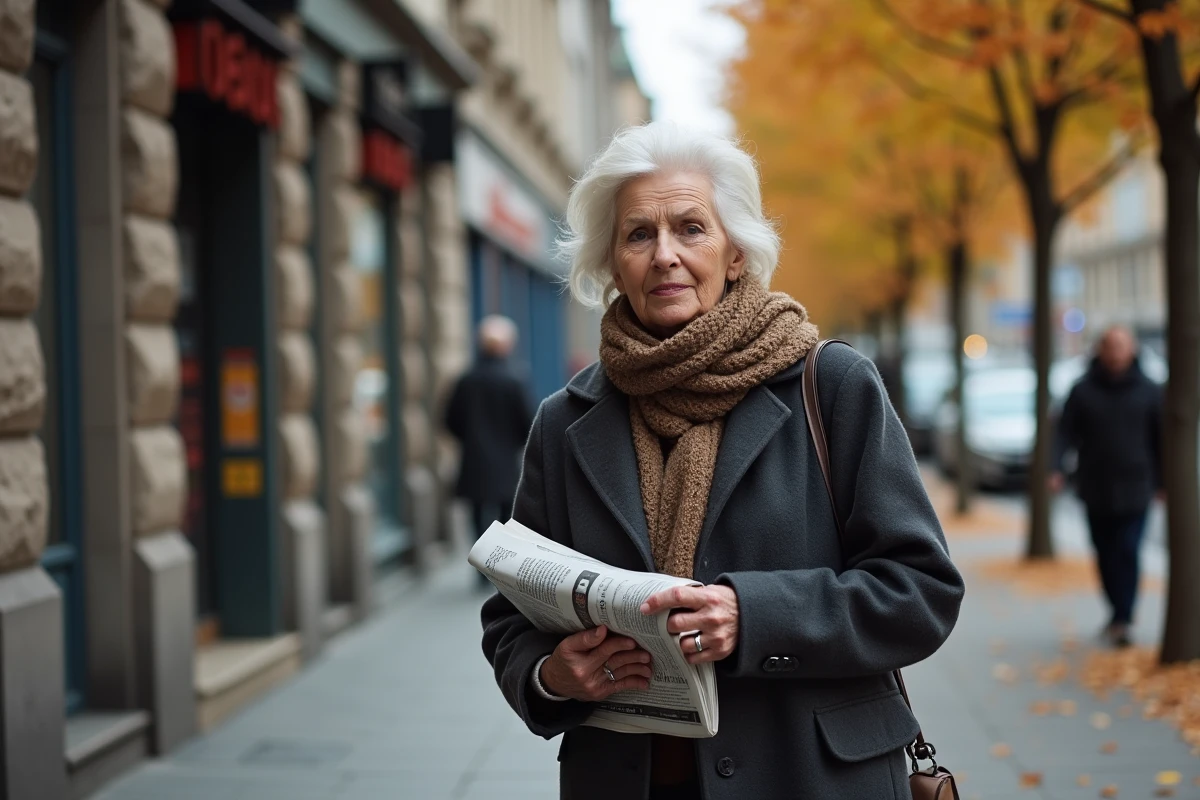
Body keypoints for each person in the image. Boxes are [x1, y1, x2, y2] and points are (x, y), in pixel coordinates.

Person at [480, 122, 964, 800]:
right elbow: (510, 619)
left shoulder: (831, 386)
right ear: (612, 263)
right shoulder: (564, 424)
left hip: (812, 778)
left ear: (736, 253)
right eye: (639, 234)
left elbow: (920, 592)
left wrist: (752, 615)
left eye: (691, 228)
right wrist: (550, 676)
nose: (665, 255)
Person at [1051, 326, 1163, 648]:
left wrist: (1164, 481)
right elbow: (1064, 433)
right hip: (1096, 486)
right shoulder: (1083, 390)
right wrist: (1056, 468)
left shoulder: (1150, 390)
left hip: (1137, 485)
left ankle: (1124, 618)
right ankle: (1116, 610)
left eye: (1121, 346)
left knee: (1128, 550)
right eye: (1110, 347)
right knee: (1104, 552)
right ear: (1101, 350)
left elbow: (1162, 440)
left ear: (1133, 349)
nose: (1116, 353)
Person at [446, 315, 534, 587]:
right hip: (506, 462)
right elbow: (527, 422)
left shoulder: (466, 380)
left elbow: (449, 420)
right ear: (507, 346)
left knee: (475, 513)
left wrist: (469, 439)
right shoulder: (513, 380)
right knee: (505, 516)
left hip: (473, 460)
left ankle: (480, 567)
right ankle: (499, 566)